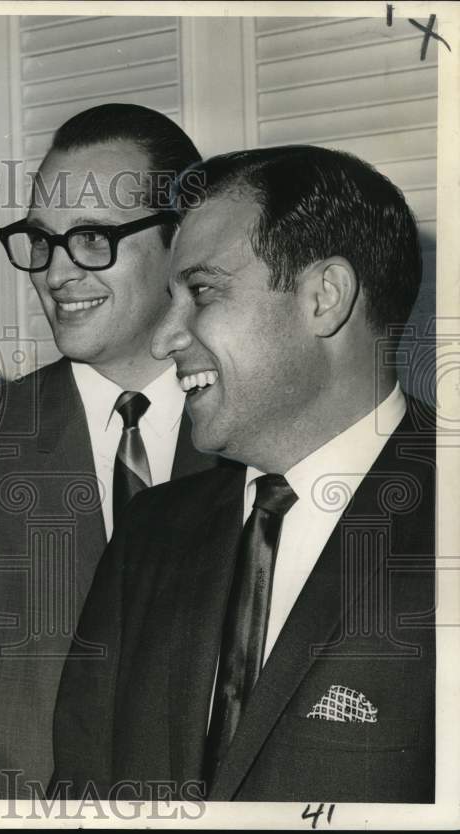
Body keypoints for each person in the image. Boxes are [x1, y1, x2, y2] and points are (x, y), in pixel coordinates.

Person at [52, 145, 435, 802]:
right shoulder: (149, 531)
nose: (164, 338)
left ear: (325, 297)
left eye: (200, 291)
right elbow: (80, 793)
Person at [0, 104, 222, 799]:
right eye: (42, 241)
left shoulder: (255, 440)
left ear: (181, 241)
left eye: (91, 239)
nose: (56, 274)